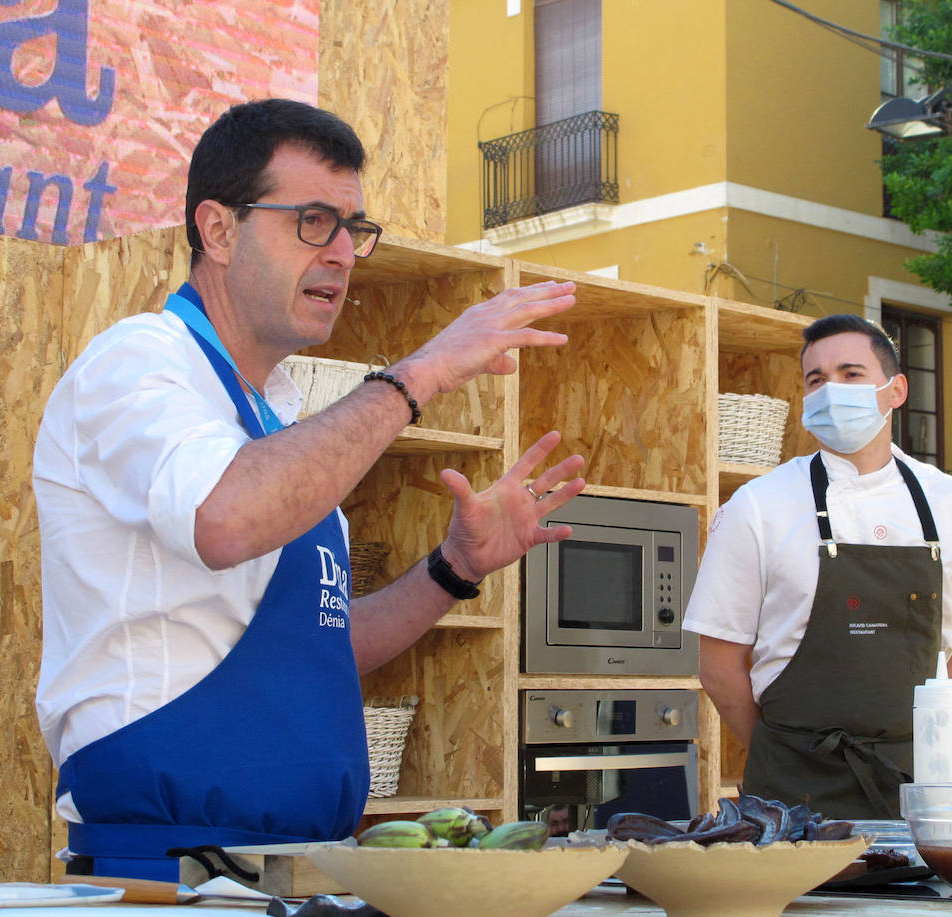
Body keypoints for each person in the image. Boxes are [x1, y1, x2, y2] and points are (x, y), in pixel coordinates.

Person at [33, 99, 586, 880]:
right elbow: (223, 518)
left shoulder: (280, 410)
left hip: (297, 864)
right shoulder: (138, 364)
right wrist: (423, 370)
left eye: (352, 229)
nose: (342, 254)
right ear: (219, 230)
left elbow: (320, 645)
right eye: (313, 221)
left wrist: (452, 569)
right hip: (168, 870)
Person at [682, 314, 952, 818]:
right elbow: (719, 667)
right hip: (788, 794)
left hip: (916, 787)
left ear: (896, 390)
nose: (832, 389)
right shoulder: (758, 505)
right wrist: (784, 750)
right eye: (817, 379)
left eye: (851, 374)